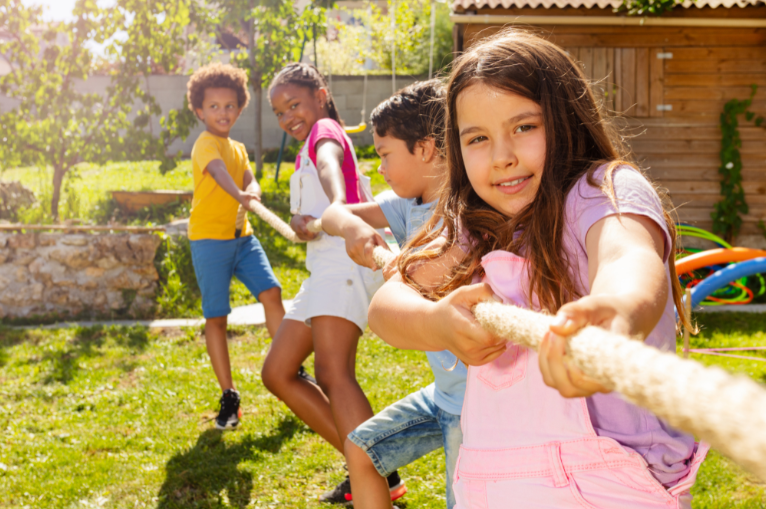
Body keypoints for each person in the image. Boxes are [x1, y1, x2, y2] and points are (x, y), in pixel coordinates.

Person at [368, 30, 708, 508]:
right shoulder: (476, 226)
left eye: (525, 127)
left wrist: (614, 315)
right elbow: (386, 306)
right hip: (498, 480)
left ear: (567, 120)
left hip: (616, 485)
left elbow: (628, 256)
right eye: (478, 138)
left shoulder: (602, 190)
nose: (503, 155)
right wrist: (436, 320)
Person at [319, 80, 465, 509]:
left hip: (477, 405)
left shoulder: (469, 212)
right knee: (362, 450)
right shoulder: (407, 206)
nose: (379, 167)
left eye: (385, 154)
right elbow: (333, 213)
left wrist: (395, 259)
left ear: (426, 148)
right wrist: (353, 227)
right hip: (444, 393)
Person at [260, 62, 401, 504]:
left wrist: (338, 205)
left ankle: (373, 478)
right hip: (322, 268)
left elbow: (329, 164)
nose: (288, 118)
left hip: (345, 262)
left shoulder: (324, 131)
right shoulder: (306, 146)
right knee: (278, 372)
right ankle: (376, 468)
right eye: (280, 112)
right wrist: (308, 221)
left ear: (320, 95)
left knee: (332, 373)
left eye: (294, 104)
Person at [186, 62, 287, 431]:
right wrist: (242, 194)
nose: (222, 113)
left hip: (242, 239)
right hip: (209, 240)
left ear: (239, 108)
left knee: (271, 292)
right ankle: (229, 394)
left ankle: (289, 364)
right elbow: (220, 175)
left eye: (229, 106)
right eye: (213, 107)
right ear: (200, 111)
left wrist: (254, 190)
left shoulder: (239, 148)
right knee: (217, 316)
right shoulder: (205, 144)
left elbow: (247, 177)